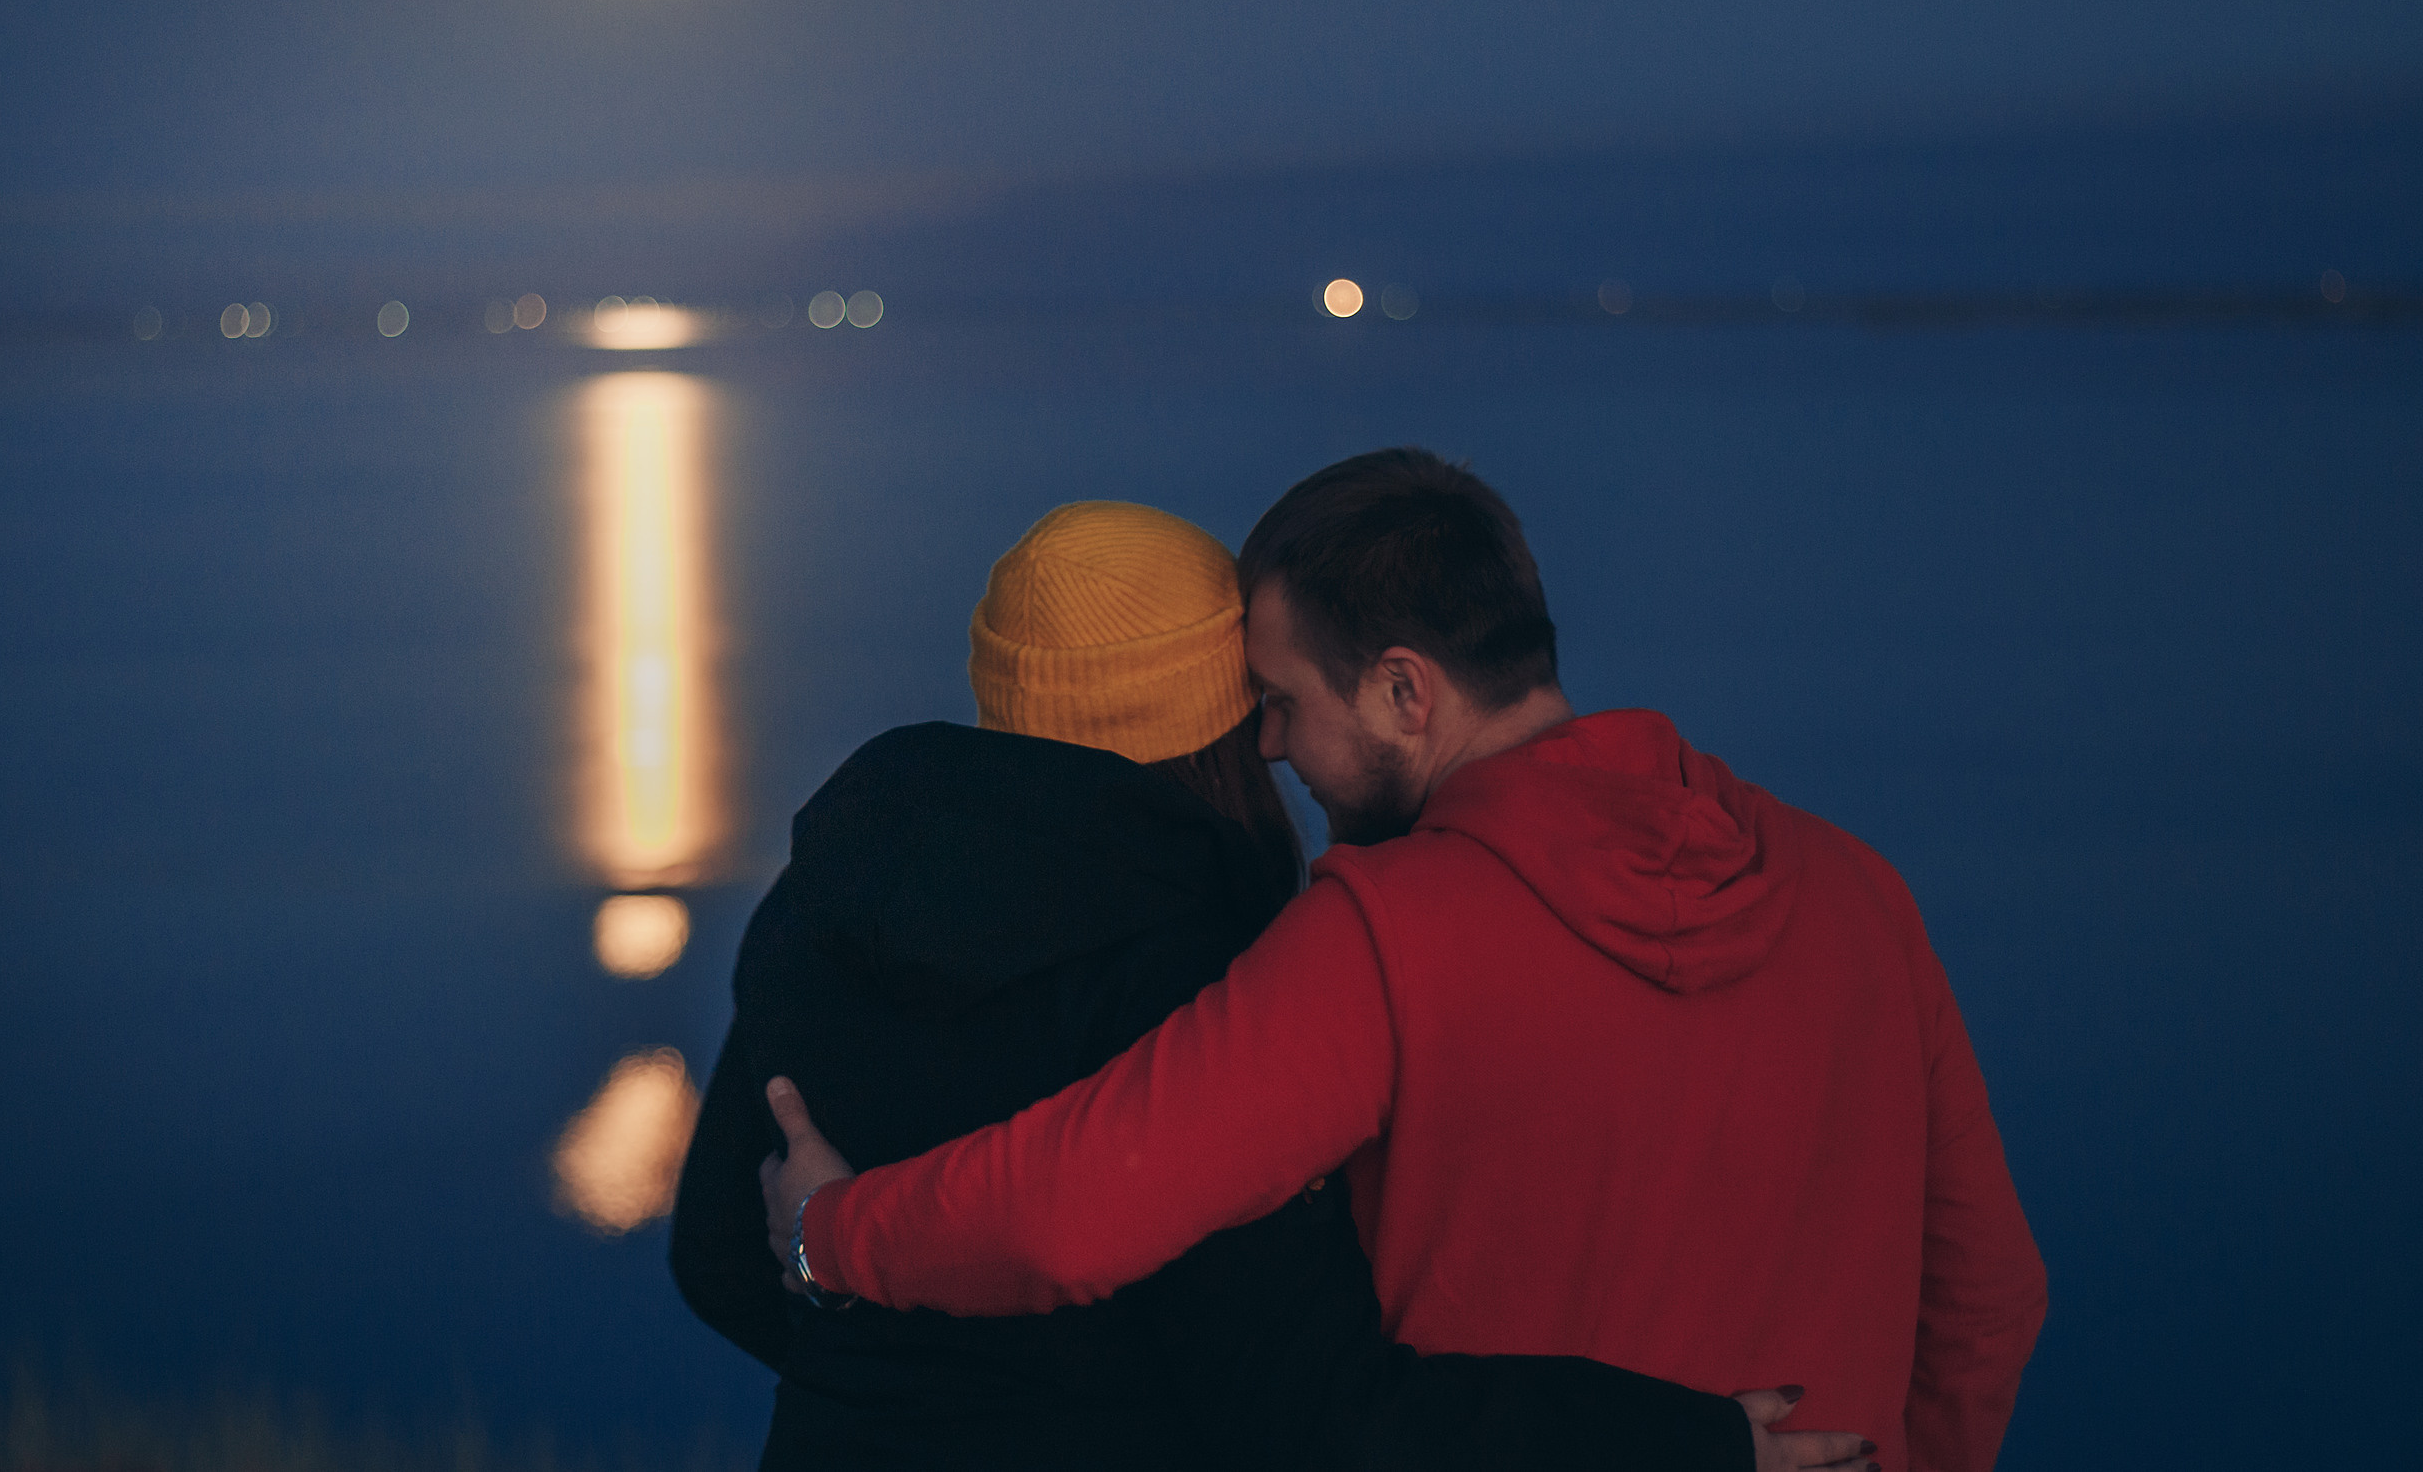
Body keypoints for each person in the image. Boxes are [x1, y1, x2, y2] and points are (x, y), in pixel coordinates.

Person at [762, 451, 2049, 1472]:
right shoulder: (1856, 894)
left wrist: (834, 1232)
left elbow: (1072, 1210)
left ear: (1403, 693)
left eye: (1282, 702)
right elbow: (1989, 1293)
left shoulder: (1386, 937)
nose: (1265, 746)